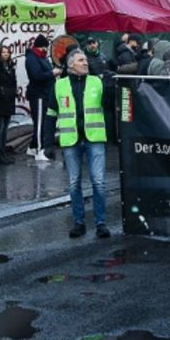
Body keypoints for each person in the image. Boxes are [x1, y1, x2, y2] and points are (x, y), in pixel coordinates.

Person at [58, 50, 110, 238]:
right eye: (81, 60)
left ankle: (101, 223)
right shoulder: (60, 85)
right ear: (71, 64)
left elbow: (108, 104)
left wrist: (110, 84)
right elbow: (50, 113)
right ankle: (78, 222)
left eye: (86, 60)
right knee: (74, 183)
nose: (85, 63)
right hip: (71, 139)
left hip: (94, 138)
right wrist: (47, 143)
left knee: (99, 182)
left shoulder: (96, 81)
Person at [25, 35, 56, 162]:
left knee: (43, 122)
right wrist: (52, 73)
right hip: (38, 95)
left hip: (45, 93)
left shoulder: (42, 58)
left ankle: (32, 147)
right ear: (40, 46)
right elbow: (36, 76)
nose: (46, 50)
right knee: (39, 123)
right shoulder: (32, 58)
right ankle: (39, 149)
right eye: (45, 47)